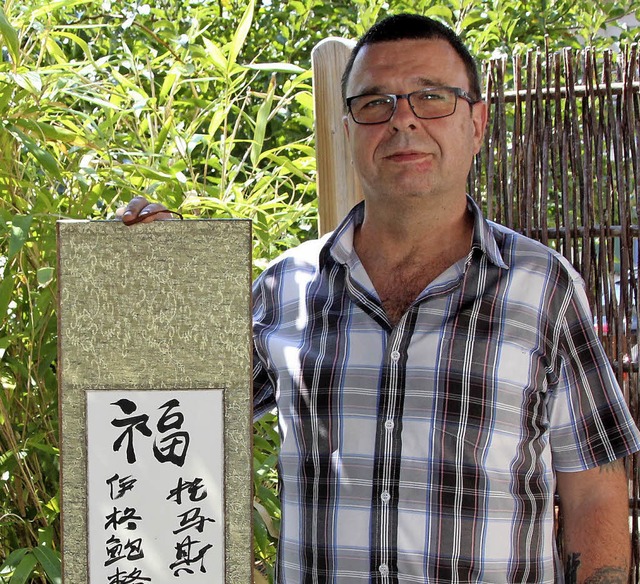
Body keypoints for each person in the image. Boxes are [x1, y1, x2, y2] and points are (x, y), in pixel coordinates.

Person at [119, 13, 640, 584]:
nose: (403, 122)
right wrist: (153, 284)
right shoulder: (283, 286)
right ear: (347, 129)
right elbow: (173, 417)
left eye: (432, 98)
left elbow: (593, 489)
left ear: (478, 123)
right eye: (375, 104)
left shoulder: (545, 290)